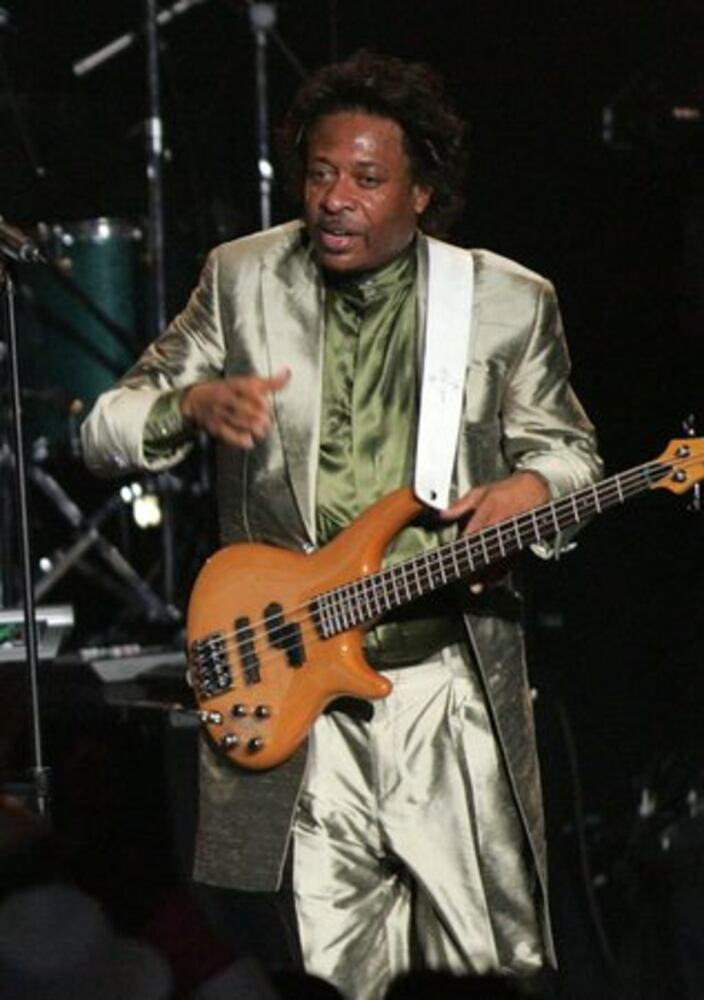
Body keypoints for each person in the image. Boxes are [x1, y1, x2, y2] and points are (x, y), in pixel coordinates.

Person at [81, 50, 602, 1000]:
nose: (334, 200)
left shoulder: (503, 301)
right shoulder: (242, 278)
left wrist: (533, 487)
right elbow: (102, 428)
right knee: (333, 975)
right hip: (302, 694)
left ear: (422, 192)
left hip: (443, 684)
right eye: (320, 173)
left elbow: (571, 454)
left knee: (485, 969)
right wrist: (186, 406)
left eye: (366, 178)